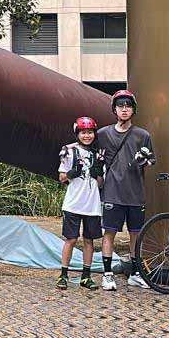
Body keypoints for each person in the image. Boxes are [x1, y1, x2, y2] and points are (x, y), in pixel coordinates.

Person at [96, 89, 155, 291]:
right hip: (113, 192)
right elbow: (92, 154)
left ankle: (135, 273)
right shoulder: (103, 134)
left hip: (135, 193)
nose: (124, 109)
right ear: (114, 109)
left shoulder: (143, 135)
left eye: (128, 106)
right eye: (120, 105)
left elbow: (151, 161)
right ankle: (107, 275)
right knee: (109, 233)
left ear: (133, 110)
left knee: (135, 234)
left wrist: (143, 160)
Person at [56, 116, 104, 289]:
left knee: (89, 240)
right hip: (73, 203)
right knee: (71, 239)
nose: (87, 136)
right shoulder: (69, 151)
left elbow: (100, 184)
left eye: (90, 132)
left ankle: (86, 276)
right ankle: (63, 274)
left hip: (91, 205)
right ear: (77, 134)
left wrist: (98, 171)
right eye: (83, 133)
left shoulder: (97, 155)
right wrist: (72, 173)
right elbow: (61, 177)